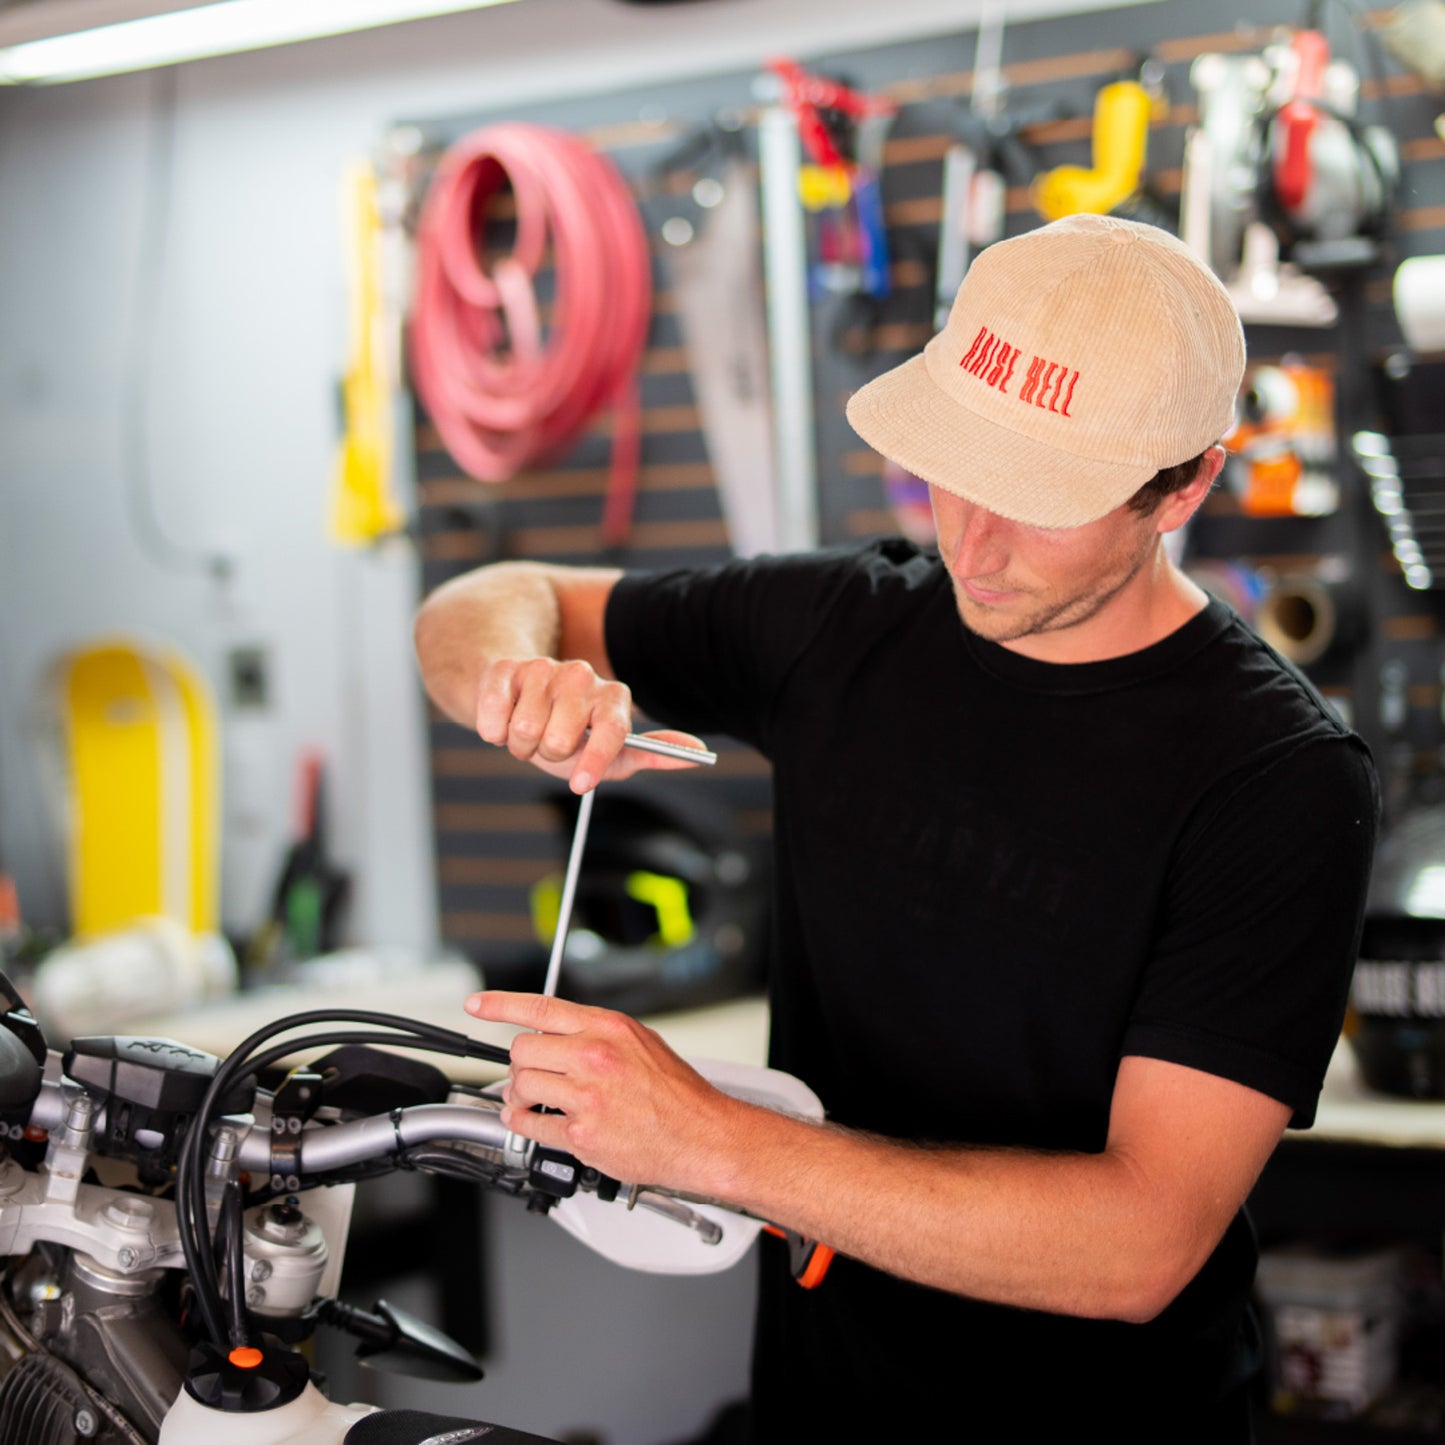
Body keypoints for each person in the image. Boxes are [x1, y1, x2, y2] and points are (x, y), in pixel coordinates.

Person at [413, 214, 1378, 1441]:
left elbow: (1138, 1245)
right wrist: (516, 679)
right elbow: (486, 600)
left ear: (1184, 482)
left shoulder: (1276, 778)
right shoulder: (842, 626)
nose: (971, 540)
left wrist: (708, 1138)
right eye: (955, 469)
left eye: (1040, 501)